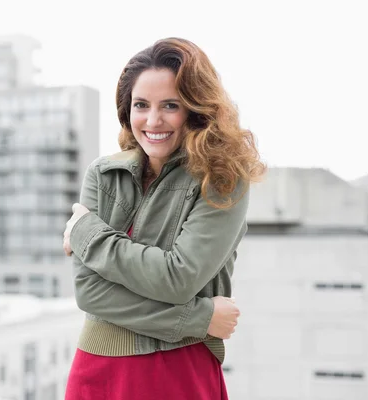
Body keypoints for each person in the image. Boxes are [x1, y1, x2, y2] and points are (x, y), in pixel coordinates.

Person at [62, 37, 265, 400]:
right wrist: (199, 319)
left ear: (196, 109)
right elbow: (89, 291)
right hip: (96, 368)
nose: (153, 120)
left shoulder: (222, 179)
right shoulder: (102, 174)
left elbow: (177, 278)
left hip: (178, 369)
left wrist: (86, 234)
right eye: (141, 105)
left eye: (170, 105)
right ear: (127, 110)